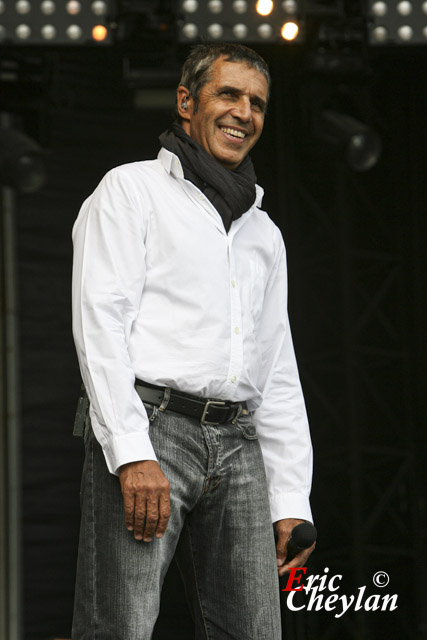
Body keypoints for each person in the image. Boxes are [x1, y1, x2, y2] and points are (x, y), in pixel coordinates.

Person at [71, 43, 314, 640]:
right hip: (152, 428)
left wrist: (291, 498)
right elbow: (100, 320)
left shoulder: (264, 232)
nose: (244, 112)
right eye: (228, 94)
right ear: (186, 101)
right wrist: (131, 451)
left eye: (257, 102)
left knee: (255, 633)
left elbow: (276, 366)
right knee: (120, 628)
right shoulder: (131, 191)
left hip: (239, 444)